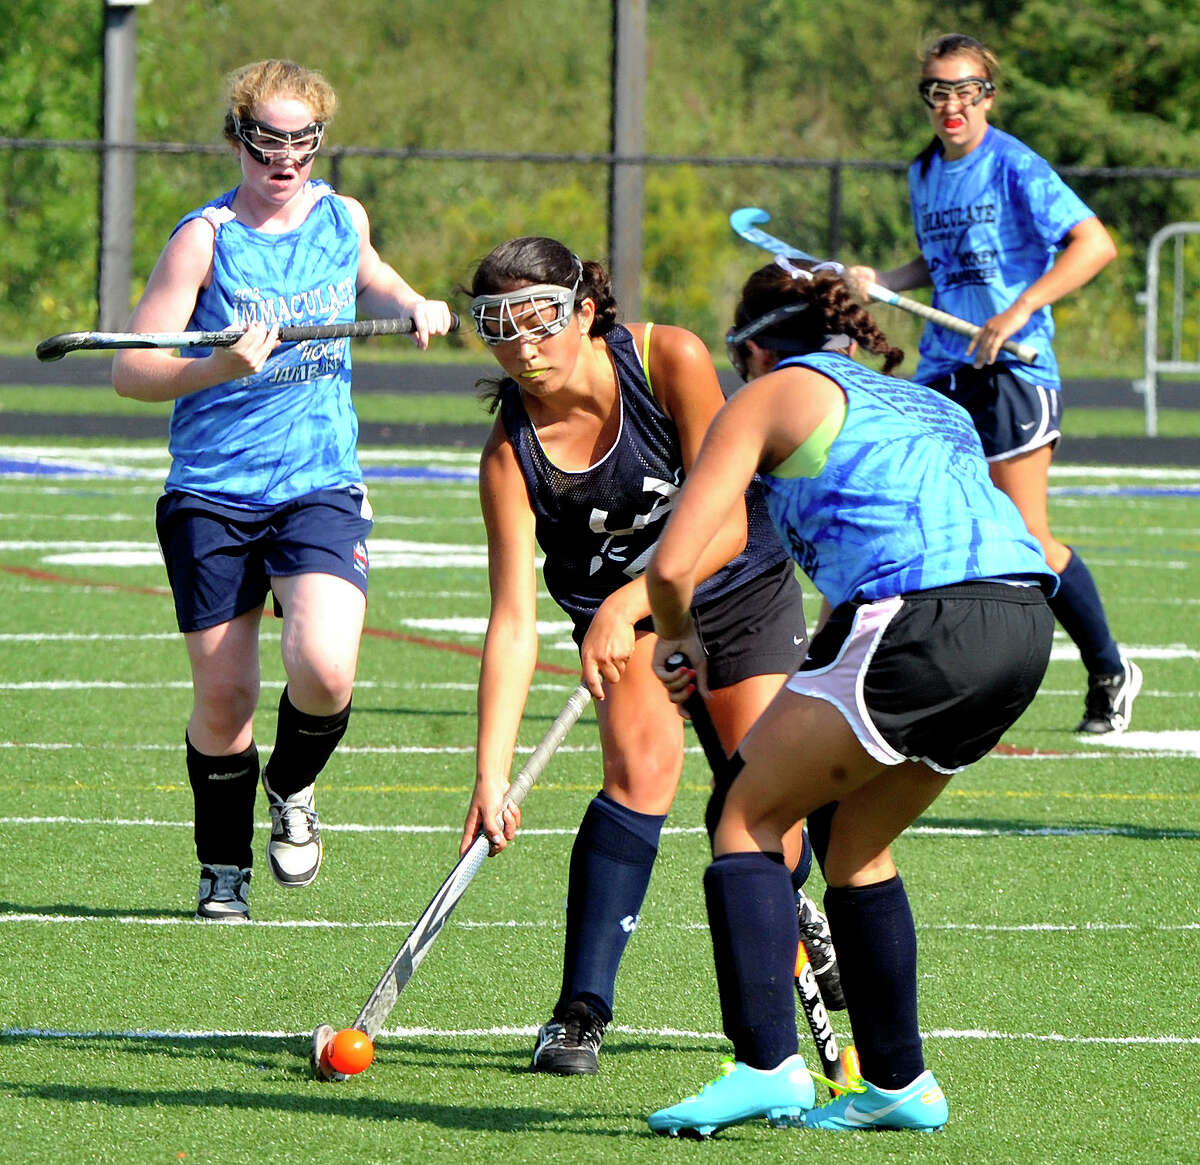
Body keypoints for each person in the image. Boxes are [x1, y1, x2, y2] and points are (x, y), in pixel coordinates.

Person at [643, 260, 1057, 1136]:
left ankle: (765, 1065)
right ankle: (900, 1084)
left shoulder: (770, 392)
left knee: (745, 813)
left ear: (752, 348)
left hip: (923, 616)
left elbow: (676, 562)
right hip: (1022, 627)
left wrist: (675, 635)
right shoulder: (927, 403)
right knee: (855, 842)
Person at [458, 235, 840, 1076]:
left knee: (764, 797)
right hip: (623, 624)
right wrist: (491, 774)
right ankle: (579, 1012)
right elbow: (513, 621)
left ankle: (800, 898)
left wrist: (634, 599)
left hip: (733, 587)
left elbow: (729, 519)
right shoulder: (508, 459)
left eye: (538, 320)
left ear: (584, 311)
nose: (522, 346)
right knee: (638, 777)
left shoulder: (669, 357)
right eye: (498, 328)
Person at [112, 59, 454, 921]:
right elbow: (130, 369)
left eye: (303, 141)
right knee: (224, 696)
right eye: (269, 139)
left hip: (318, 482)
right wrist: (220, 363)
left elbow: (369, 269)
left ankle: (292, 786)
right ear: (238, 138)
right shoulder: (205, 238)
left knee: (326, 669)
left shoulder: (343, 216)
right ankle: (222, 867)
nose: (286, 158)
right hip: (214, 493)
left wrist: (415, 300)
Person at [845, 32, 1139, 736]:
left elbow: (1094, 243)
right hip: (947, 367)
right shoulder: (923, 172)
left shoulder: (1013, 164)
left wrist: (1020, 308)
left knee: (1026, 538)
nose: (952, 104)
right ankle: (922, 677)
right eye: (937, 91)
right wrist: (883, 282)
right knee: (933, 519)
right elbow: (941, 261)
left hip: (1014, 369)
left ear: (988, 94)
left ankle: (1108, 666)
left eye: (966, 89)